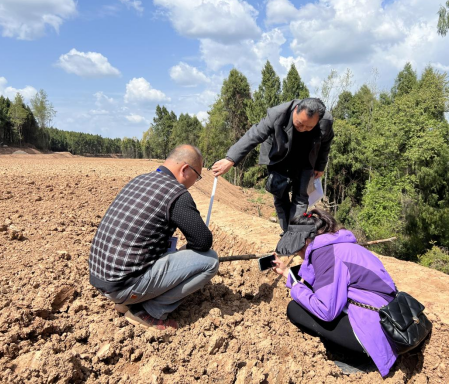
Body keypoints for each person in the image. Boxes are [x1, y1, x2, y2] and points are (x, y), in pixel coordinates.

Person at [88, 145, 219, 332]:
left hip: (101, 278)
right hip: (122, 285)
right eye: (197, 176)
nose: (195, 182)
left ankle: (127, 301)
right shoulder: (176, 193)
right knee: (210, 260)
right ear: (185, 169)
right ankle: (149, 312)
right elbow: (203, 241)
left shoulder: (139, 180)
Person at [272, 209, 398, 378]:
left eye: (298, 247)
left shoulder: (326, 255)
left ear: (307, 240)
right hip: (390, 322)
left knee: (295, 309)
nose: (298, 253)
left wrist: (296, 288)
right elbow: (324, 282)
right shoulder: (340, 245)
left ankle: (359, 358)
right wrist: (287, 273)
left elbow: (326, 310)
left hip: (376, 334)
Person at [211, 98, 334, 232]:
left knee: (301, 198)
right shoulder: (278, 114)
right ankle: (286, 232)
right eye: (299, 124)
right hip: (279, 157)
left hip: (305, 159)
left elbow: (326, 143)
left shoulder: (326, 121)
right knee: (280, 195)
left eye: (309, 127)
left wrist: (320, 166)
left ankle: (294, 236)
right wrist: (230, 159)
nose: (303, 129)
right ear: (296, 109)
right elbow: (255, 134)